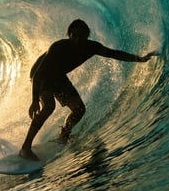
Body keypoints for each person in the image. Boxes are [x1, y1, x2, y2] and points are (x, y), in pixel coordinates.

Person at [20, 19, 158, 160]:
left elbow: (114, 54)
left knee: (79, 109)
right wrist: (35, 100)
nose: (78, 40)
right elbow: (38, 75)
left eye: (82, 36)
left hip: (58, 76)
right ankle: (25, 148)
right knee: (49, 106)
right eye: (74, 36)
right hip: (42, 74)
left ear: (87, 36)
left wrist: (139, 59)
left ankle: (64, 136)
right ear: (69, 35)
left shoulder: (92, 47)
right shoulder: (58, 47)